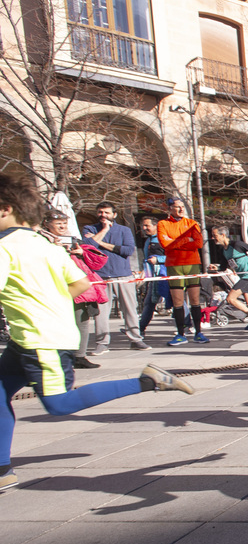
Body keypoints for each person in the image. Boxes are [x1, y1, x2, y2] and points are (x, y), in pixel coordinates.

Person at [0, 176, 192, 493]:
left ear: (6, 209)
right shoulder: (47, 247)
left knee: (60, 405)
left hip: (39, 340)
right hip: (34, 337)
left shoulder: (6, 247)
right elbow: (80, 285)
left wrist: (27, 299)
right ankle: (3, 470)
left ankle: (148, 381)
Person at [82, 201, 150, 352]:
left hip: (123, 275)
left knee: (130, 309)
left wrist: (101, 243)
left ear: (114, 214)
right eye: (100, 212)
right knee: (101, 312)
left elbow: (127, 250)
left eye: (107, 212)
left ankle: (136, 339)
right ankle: (102, 343)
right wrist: (104, 231)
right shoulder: (89, 228)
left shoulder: (124, 230)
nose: (103, 215)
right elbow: (87, 246)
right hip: (100, 276)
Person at [45, 211, 107, 369]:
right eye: (58, 223)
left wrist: (82, 253)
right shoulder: (41, 241)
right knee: (56, 323)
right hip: (54, 288)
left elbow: (97, 261)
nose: (62, 226)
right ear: (46, 223)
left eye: (64, 223)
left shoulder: (74, 240)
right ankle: (55, 358)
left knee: (82, 321)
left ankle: (80, 355)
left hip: (78, 287)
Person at [158, 198, 208, 346]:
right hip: (174, 265)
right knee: (178, 301)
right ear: (169, 208)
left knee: (195, 300)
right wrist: (186, 240)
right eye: (176, 207)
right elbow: (164, 244)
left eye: (182, 207)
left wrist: (175, 242)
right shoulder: (163, 224)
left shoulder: (192, 223)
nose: (180, 209)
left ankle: (198, 332)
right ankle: (180, 334)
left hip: (192, 264)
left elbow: (198, 243)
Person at [209, 226, 248, 328]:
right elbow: (224, 267)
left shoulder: (237, 245)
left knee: (230, 299)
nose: (213, 238)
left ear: (223, 235)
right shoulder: (223, 250)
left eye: (215, 236)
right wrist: (215, 267)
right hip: (243, 277)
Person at [137, 216, 173, 337]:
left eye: (147, 225)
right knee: (149, 302)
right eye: (143, 225)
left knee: (175, 301)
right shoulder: (148, 241)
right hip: (153, 277)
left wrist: (159, 259)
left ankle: (188, 324)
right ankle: (140, 328)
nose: (144, 228)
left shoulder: (164, 239)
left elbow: (173, 256)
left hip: (165, 276)